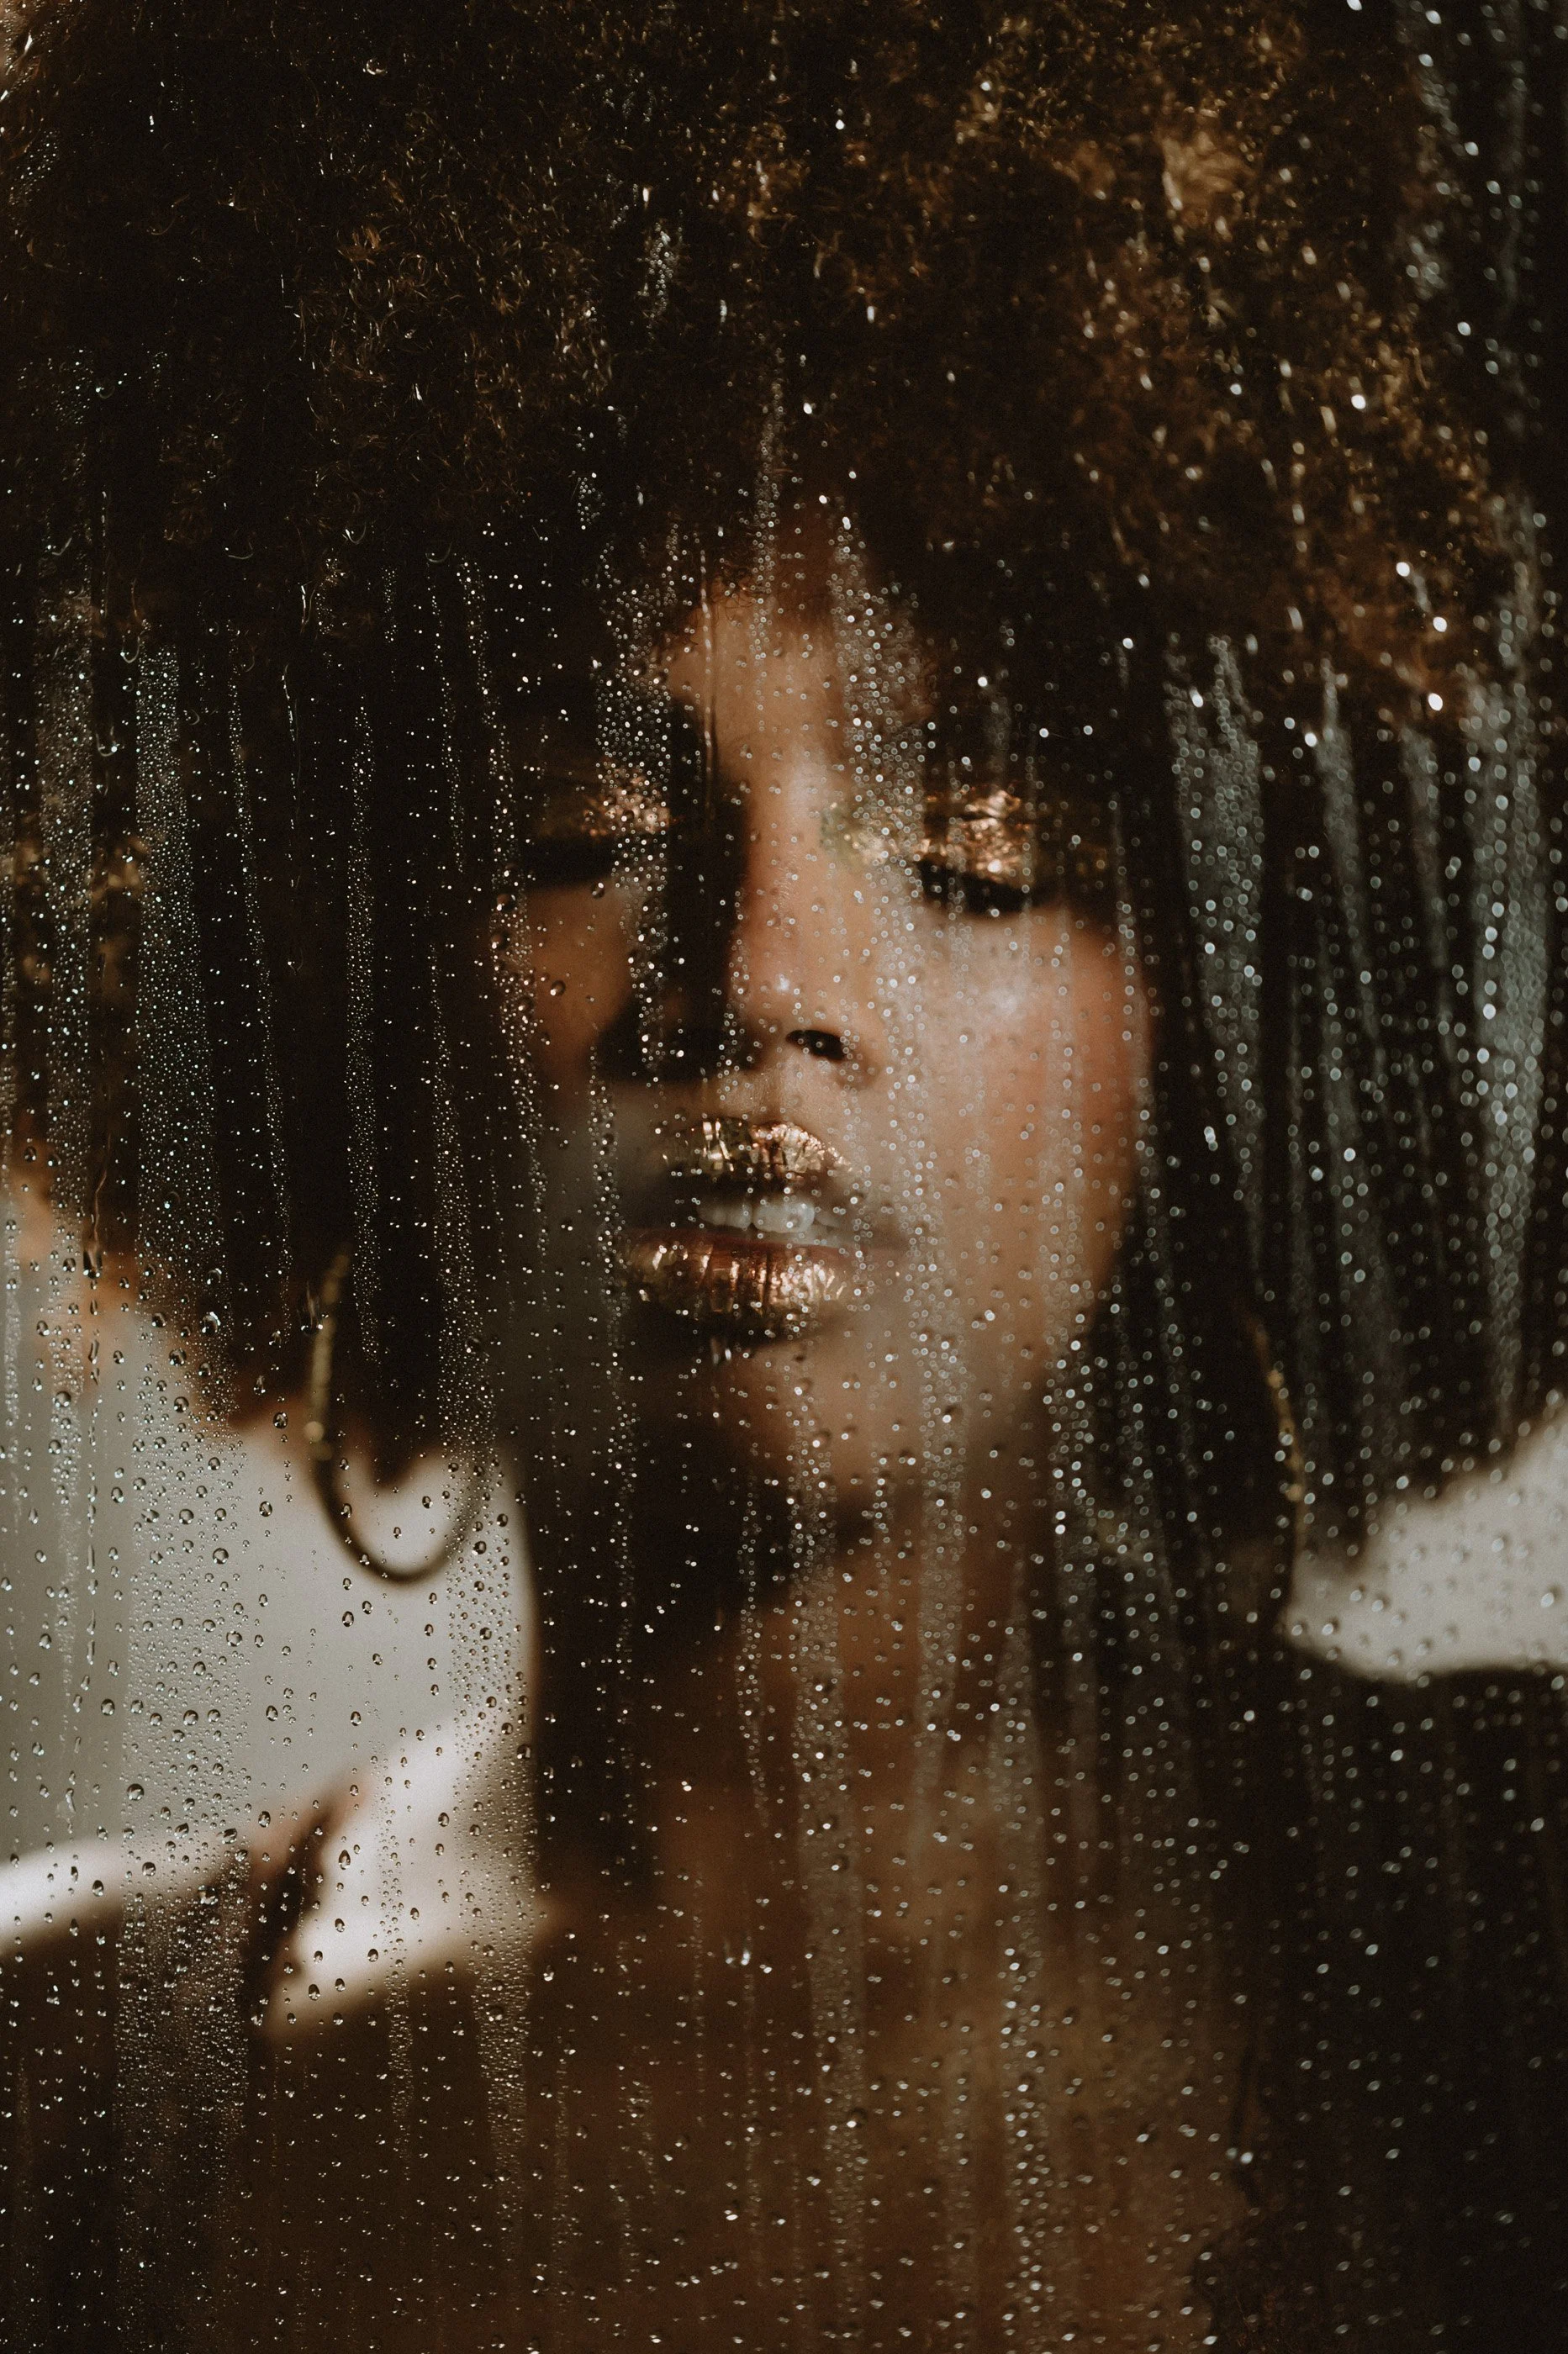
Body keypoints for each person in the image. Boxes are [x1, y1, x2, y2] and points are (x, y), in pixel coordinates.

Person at [1, 3, 1567, 2348]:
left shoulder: (1510, 1964)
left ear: (1270, 985)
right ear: (296, 927)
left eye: (981, 843)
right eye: (589, 825)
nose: (758, 981)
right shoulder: (56, 2110)